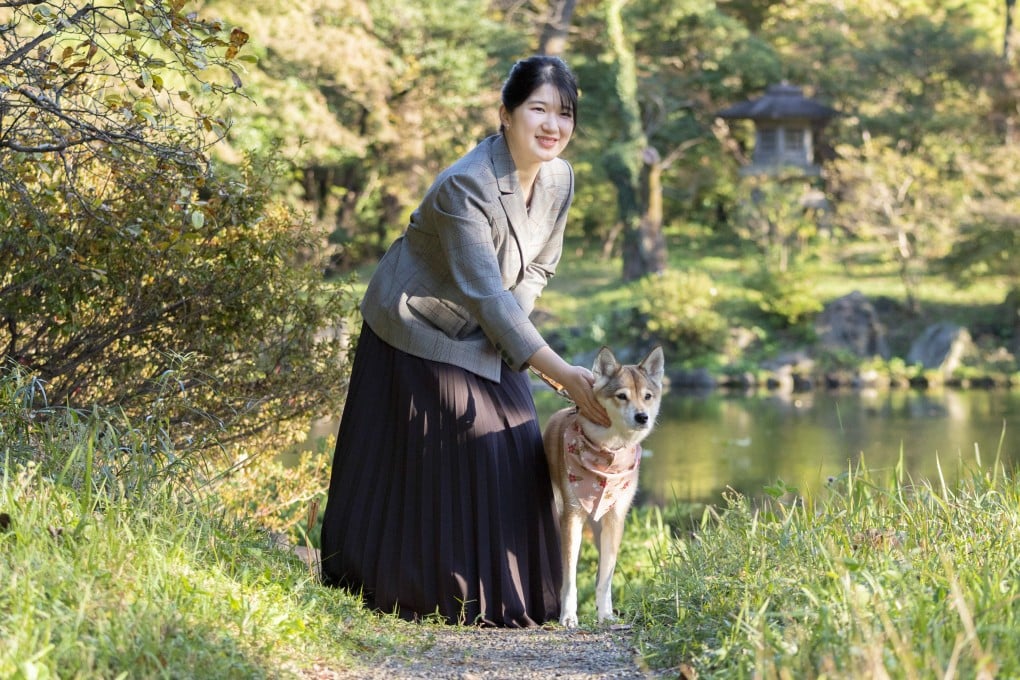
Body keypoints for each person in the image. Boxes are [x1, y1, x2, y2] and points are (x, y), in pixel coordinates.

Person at [319, 55, 609, 628]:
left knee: (519, 431)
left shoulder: (559, 178)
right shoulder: (464, 186)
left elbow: (539, 270)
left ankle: (518, 594)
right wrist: (560, 372)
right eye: (538, 109)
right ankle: (428, 589)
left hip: (490, 324)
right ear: (506, 114)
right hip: (417, 325)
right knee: (478, 429)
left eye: (565, 113)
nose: (553, 125)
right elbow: (486, 293)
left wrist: (511, 344)